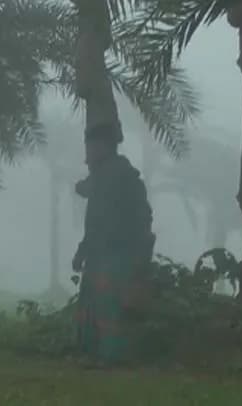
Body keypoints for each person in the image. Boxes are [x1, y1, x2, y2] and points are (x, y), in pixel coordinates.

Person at [72, 130, 155, 366]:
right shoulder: (114, 177)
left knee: (108, 306)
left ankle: (109, 356)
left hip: (117, 252)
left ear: (103, 147)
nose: (87, 157)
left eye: (90, 149)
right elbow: (94, 221)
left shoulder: (115, 178)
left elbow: (138, 218)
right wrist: (83, 250)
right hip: (101, 252)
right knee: (94, 305)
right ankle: (97, 354)